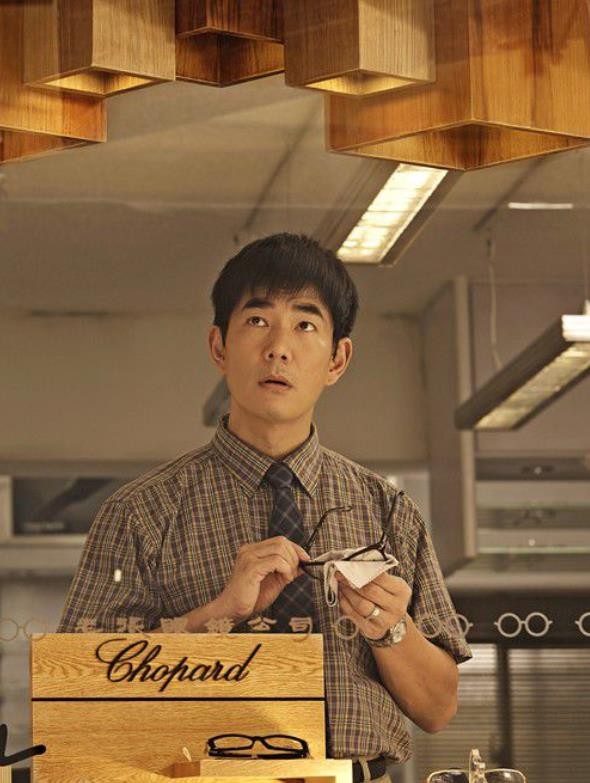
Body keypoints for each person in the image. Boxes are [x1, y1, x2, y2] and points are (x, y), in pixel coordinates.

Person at [57, 233, 472, 783]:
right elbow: (78, 698)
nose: (279, 347)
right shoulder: (140, 513)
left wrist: (388, 627)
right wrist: (218, 614)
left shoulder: (388, 511)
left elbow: (438, 709)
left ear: (337, 359)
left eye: (305, 325)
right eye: (257, 320)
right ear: (219, 347)